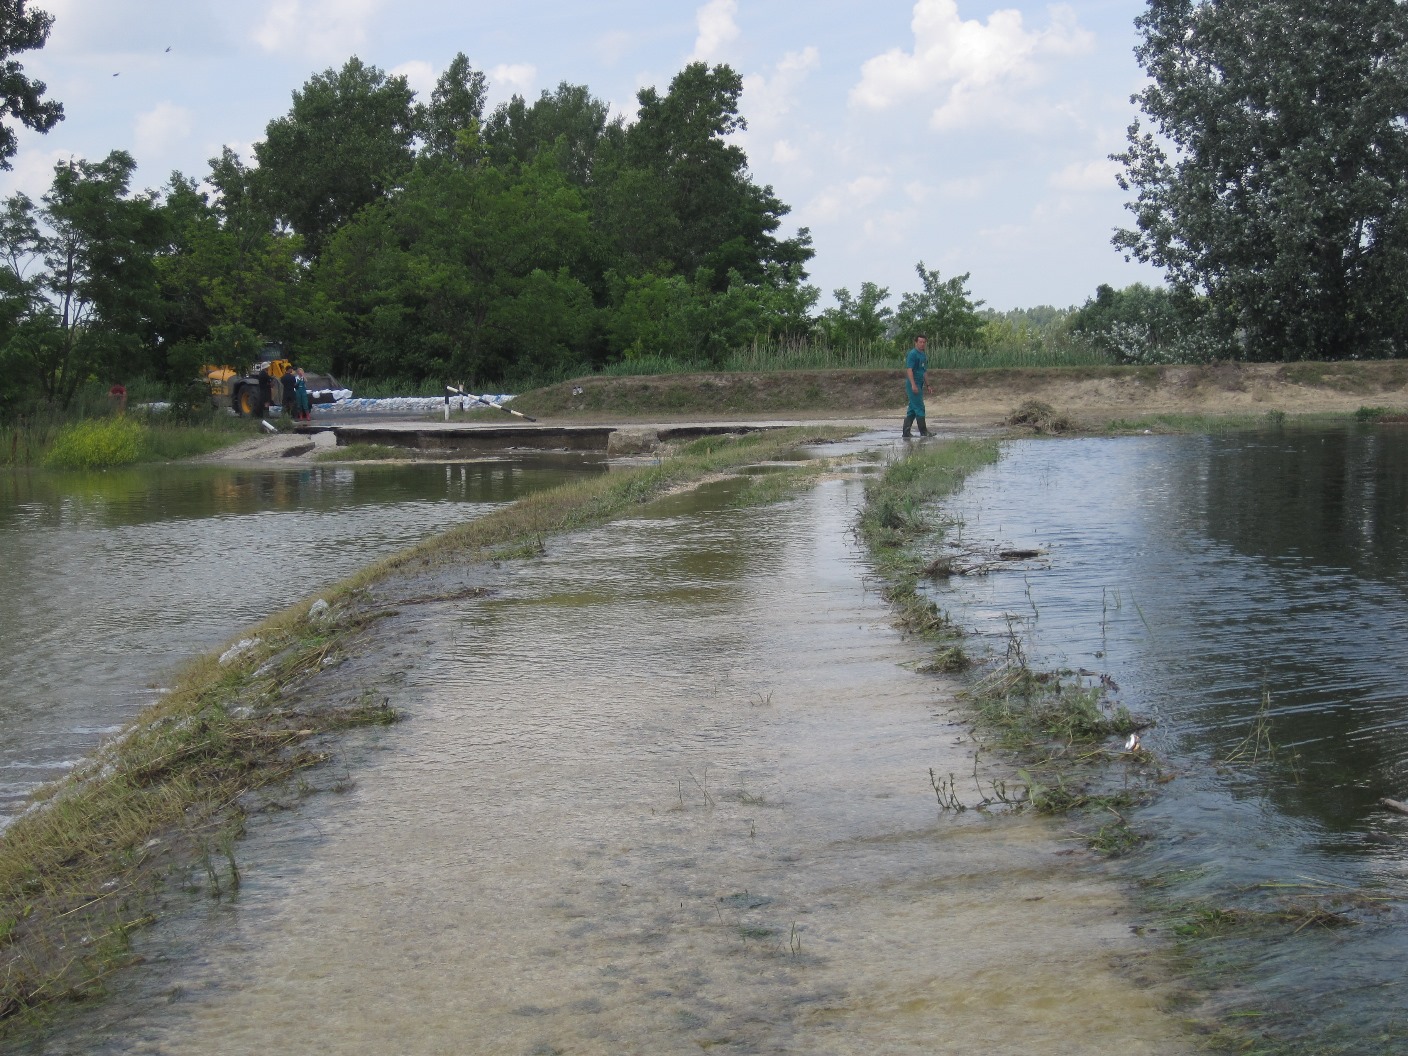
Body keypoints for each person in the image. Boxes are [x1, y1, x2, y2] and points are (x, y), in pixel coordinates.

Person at [902, 334, 930, 438]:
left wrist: (928, 385)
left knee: (912, 409)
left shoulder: (923, 355)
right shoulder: (912, 354)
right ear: (916, 343)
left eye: (924, 342)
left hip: (920, 383)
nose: (922, 344)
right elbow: (909, 370)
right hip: (913, 384)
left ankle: (906, 432)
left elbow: (924, 371)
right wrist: (913, 385)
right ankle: (924, 432)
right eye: (920, 342)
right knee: (919, 407)